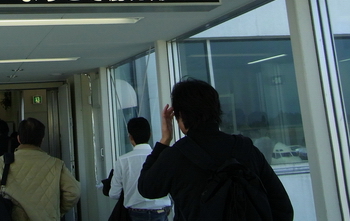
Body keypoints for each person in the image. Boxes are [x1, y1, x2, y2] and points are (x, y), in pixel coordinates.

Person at [138, 79, 294, 220]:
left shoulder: (176, 155)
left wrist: (165, 140)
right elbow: (282, 207)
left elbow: (147, 189)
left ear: (182, 116)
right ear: (216, 111)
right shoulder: (246, 149)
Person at [0, 117, 81, 221]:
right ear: (42, 139)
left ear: (18, 139)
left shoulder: (2, 162)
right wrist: (57, 212)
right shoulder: (56, 164)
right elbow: (73, 192)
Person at [109, 117, 171, 220]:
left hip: (135, 213)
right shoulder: (162, 156)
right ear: (150, 134)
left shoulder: (123, 160)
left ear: (130, 137)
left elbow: (114, 194)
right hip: (160, 211)